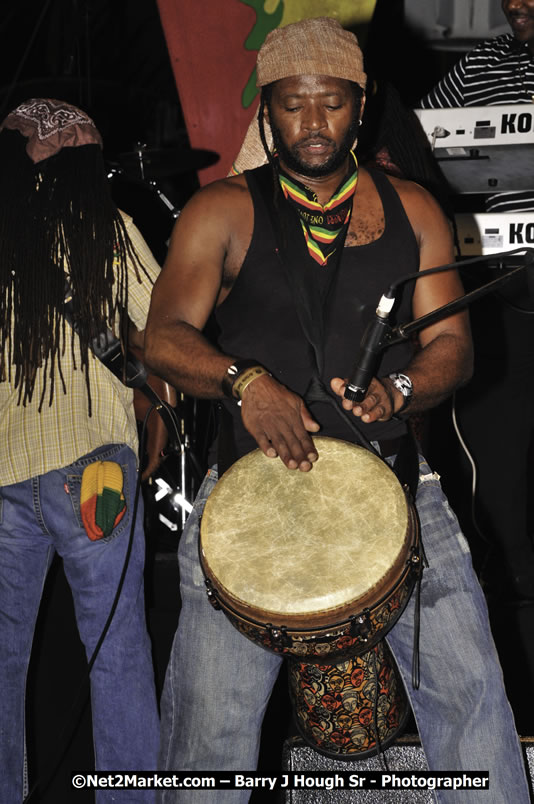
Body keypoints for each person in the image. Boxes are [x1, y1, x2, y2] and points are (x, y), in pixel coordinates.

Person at [145, 18, 530, 803]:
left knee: (473, 703)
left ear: (364, 104)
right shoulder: (222, 210)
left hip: (397, 486)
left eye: (331, 103)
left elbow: (453, 343)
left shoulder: (415, 208)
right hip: (247, 494)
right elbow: (163, 339)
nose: (313, 122)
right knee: (210, 733)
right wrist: (245, 382)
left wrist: (408, 388)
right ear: (266, 111)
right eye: (293, 104)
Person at [0, 99, 160, 802]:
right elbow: (170, 330)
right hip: (94, 465)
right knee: (117, 653)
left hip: (4, 473)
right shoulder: (109, 230)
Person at [419, 0, 534, 606]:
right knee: (496, 447)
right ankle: (513, 582)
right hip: (502, 285)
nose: (514, 3)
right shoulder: (481, 66)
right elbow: (421, 148)